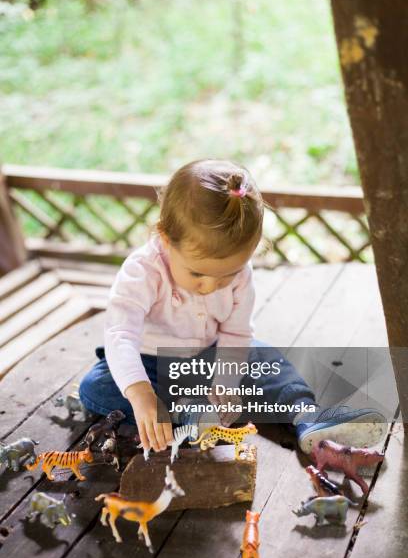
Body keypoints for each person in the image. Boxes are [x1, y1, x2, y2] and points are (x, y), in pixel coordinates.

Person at [79, 159, 386, 455]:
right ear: (165, 238)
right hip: (150, 364)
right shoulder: (143, 271)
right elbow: (120, 334)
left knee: (267, 363)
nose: (211, 286)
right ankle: (187, 414)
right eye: (197, 273)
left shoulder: (242, 276)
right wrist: (141, 394)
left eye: (227, 274)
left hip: (211, 356)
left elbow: (237, 335)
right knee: (96, 387)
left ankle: (307, 419)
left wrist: (226, 382)